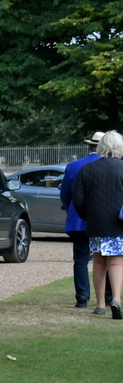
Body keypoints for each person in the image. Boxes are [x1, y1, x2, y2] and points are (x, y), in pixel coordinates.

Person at [72, 129, 123, 319]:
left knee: (99, 261)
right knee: (116, 261)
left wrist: (87, 215)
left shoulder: (88, 169)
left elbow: (78, 198)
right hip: (118, 223)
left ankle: (100, 303)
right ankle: (116, 299)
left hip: (96, 222)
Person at [59, 132, 102, 309]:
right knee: (105, 259)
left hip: (78, 220)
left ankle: (82, 298)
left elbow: (65, 195)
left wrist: (70, 207)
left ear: (89, 146)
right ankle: (106, 296)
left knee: (81, 259)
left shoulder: (73, 166)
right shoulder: (111, 166)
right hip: (102, 220)